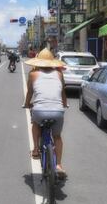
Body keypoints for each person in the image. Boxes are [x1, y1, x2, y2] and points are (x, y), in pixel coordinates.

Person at [23, 48, 68, 177]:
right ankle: (58, 165)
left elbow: (30, 93)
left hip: (39, 111)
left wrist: (27, 104)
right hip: (57, 111)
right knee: (57, 136)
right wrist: (64, 105)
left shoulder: (33, 74)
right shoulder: (59, 74)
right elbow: (62, 93)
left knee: (35, 123)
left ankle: (36, 150)